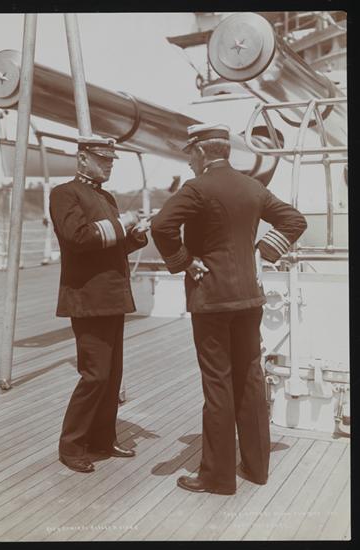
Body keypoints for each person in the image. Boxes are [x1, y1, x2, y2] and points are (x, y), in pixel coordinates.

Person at [151, 123, 307, 495]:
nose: (189, 162)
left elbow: (160, 227)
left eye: (190, 155)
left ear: (200, 152)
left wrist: (185, 261)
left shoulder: (197, 188)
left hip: (212, 301)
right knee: (250, 380)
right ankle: (257, 468)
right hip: (250, 299)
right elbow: (295, 220)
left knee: (218, 384)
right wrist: (262, 252)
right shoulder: (252, 186)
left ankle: (217, 477)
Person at [49, 136, 150, 473]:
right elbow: (77, 238)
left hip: (111, 298)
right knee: (95, 375)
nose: (108, 165)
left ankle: (102, 439)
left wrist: (136, 234)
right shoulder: (64, 194)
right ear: (82, 159)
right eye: (102, 159)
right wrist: (123, 224)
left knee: (111, 375)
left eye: (110, 160)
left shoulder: (106, 197)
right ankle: (71, 445)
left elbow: (111, 245)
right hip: (88, 299)